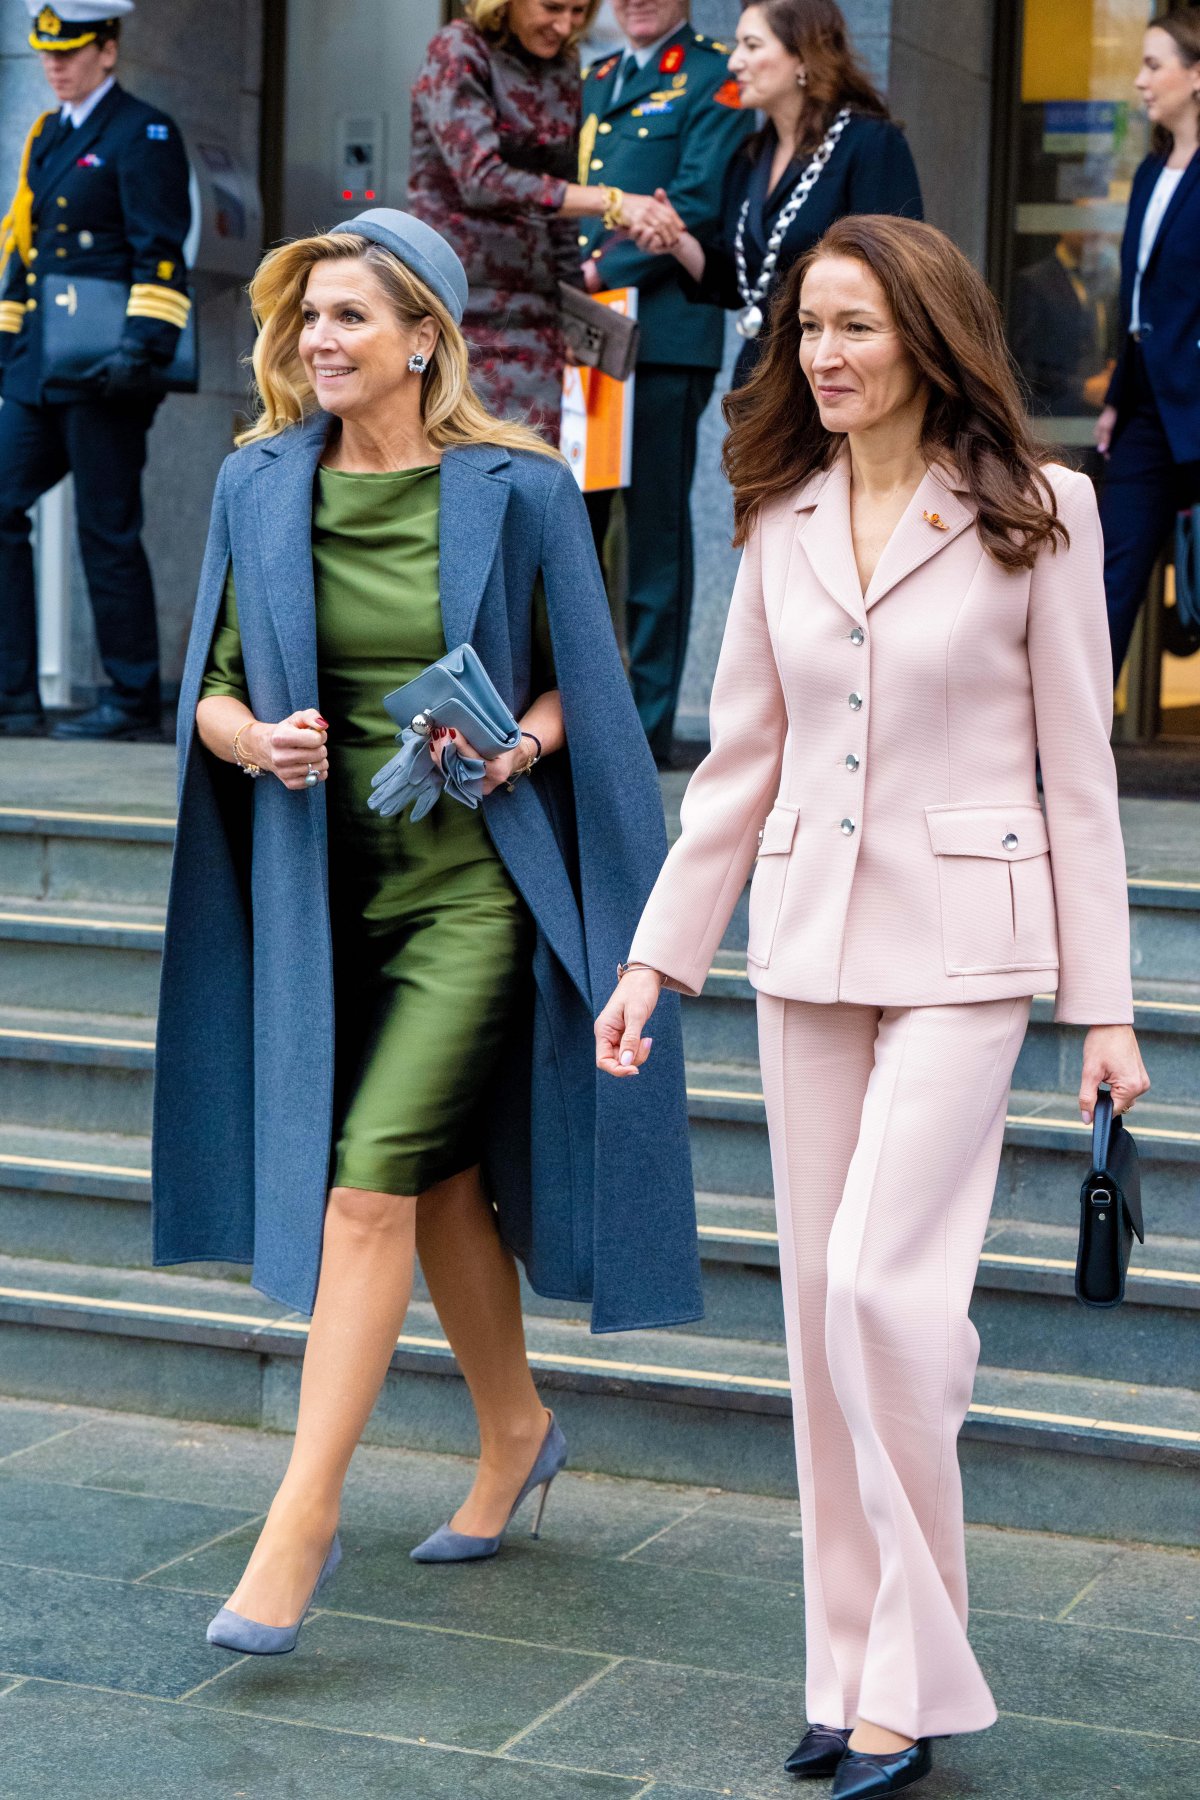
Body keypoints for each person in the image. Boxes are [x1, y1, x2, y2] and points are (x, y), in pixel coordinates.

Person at [596, 214, 1149, 1796]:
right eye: (807, 332)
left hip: (975, 952)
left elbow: (1083, 782)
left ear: (927, 333)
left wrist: (1105, 1011)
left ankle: (915, 1673)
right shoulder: (780, 518)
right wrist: (656, 958)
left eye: (853, 327)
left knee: (882, 1306)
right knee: (814, 1324)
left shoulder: (1045, 513)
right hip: (809, 950)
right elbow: (740, 765)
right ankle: (847, 1673)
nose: (822, 358)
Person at [153, 208, 699, 1654]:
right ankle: (515, 1430)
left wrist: (516, 746)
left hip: (471, 889)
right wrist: (250, 736)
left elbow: (591, 683)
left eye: (346, 318)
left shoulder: (516, 488)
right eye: (305, 320)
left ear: (422, 339)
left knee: (366, 1191)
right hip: (325, 886)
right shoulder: (258, 482)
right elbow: (202, 686)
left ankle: (300, 1521)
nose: (317, 342)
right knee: (440, 1182)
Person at [0, 0, 191, 740]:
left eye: (71, 50)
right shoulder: (50, 135)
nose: (55, 64)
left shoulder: (143, 132)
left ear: (108, 49)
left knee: (105, 531)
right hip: (43, 369)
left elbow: (162, 252)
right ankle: (14, 694)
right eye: (46, 52)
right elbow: (27, 252)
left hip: (110, 371)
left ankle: (131, 700)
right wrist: (8, 345)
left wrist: (140, 350)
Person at [578, 0, 754, 767]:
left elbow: (696, 199)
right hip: (581, 335)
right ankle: (575, 716)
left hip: (662, 335)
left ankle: (646, 726)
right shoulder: (599, 76)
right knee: (575, 527)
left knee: (651, 535)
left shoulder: (716, 75)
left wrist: (590, 271)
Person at [408, 0, 678, 443]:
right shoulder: (459, 48)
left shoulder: (563, 63)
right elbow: (481, 179)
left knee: (532, 473)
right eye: (552, 7)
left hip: (536, 317)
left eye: (579, 11)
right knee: (464, 470)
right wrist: (610, 201)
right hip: (457, 307)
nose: (565, 25)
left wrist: (573, 311)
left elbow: (561, 203)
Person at [633, 0, 922, 389]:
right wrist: (677, 240)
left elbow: (896, 275)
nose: (734, 62)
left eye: (751, 46)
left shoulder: (870, 144)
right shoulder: (749, 158)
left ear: (803, 57)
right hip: (760, 380)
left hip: (834, 379)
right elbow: (741, 284)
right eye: (737, 46)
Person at [1094, 6, 1200, 681]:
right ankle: (1058, 764)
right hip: (1146, 414)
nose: (1139, 81)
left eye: (1154, 65)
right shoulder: (1147, 177)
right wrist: (1117, 397)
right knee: (1106, 583)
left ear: (1196, 77)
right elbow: (1139, 304)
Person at [1009, 232, 1115, 420]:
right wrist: (1080, 389)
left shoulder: (1109, 279)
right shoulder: (1034, 281)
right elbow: (1023, 364)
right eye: (1084, 215)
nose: (1091, 228)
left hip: (1101, 419)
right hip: (1055, 419)